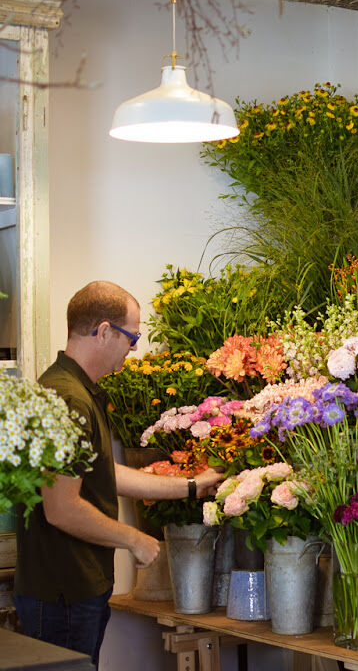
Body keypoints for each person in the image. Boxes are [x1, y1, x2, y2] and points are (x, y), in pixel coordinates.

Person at [14, 281, 223, 668]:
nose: (134, 348)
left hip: (71, 590)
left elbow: (100, 475)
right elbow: (61, 507)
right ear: (104, 331)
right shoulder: (68, 399)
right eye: (132, 337)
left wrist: (191, 487)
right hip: (64, 592)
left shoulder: (71, 388)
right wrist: (135, 539)